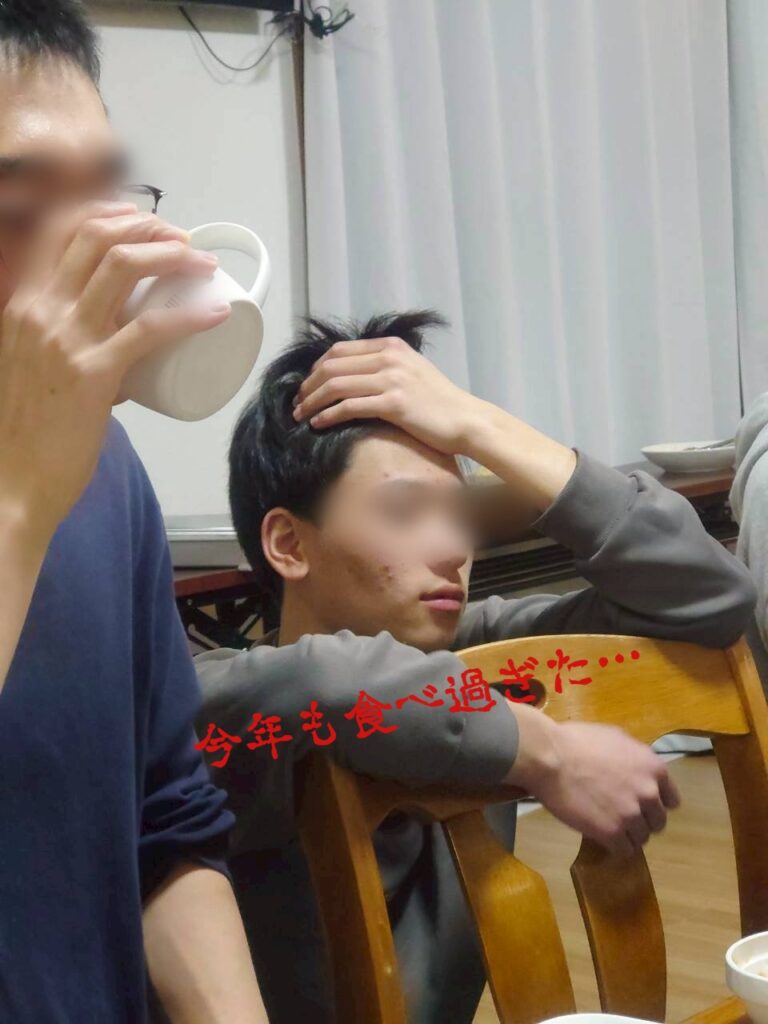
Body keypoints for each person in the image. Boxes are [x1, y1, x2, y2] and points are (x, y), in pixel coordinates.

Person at [195, 310, 757, 1024]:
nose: (451, 549)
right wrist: (547, 751)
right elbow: (323, 685)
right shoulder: (219, 711)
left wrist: (478, 424)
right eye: (404, 512)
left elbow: (710, 599)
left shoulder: (479, 661)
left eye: (460, 516)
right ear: (288, 544)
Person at [0, 1, 268, 1020]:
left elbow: (168, 819)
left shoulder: (105, 468)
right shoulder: (47, 477)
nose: (95, 253)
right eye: (24, 206)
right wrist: (20, 500)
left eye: (106, 197)